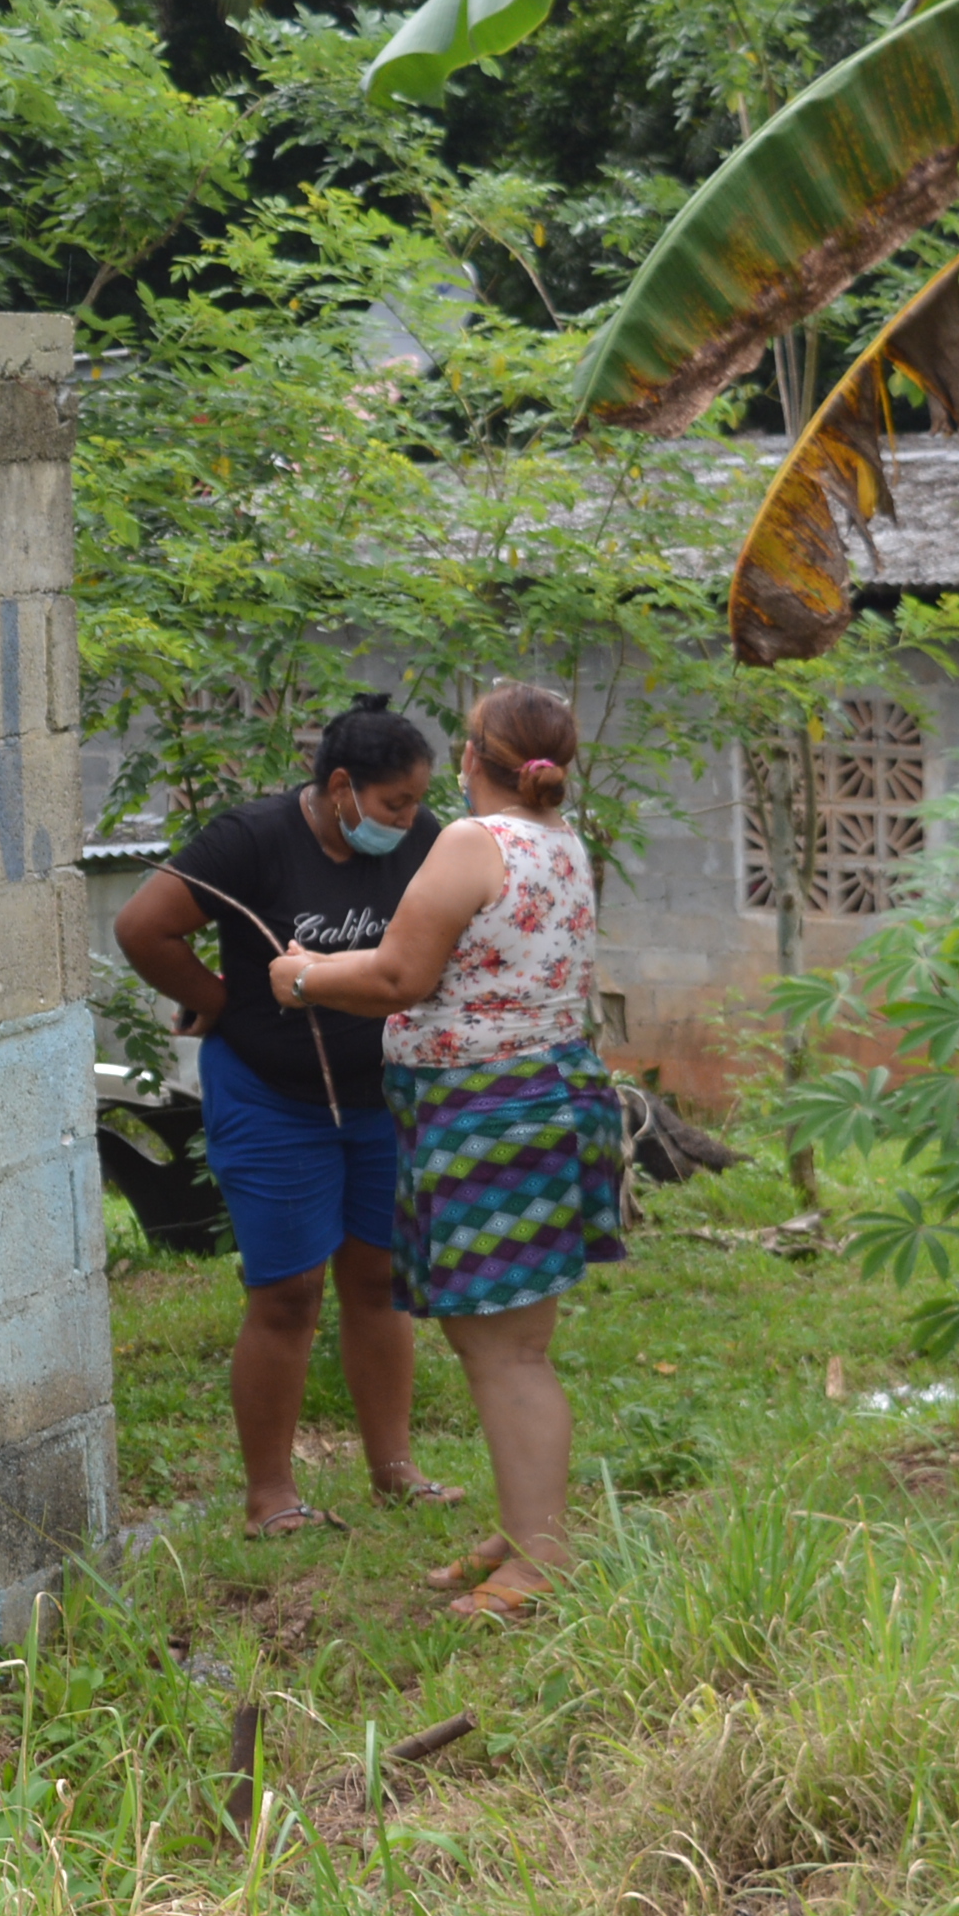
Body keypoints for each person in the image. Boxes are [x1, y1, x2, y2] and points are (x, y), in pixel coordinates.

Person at [264, 682, 624, 1620]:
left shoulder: (475, 841)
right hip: (539, 1096)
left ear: (475, 759)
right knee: (515, 1339)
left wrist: (300, 975)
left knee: (503, 1353)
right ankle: (527, 1521)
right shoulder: (562, 843)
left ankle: (543, 1559)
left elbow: (398, 973)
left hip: (487, 1110)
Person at [110, 704, 462, 1536]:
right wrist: (220, 1003)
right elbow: (142, 926)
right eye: (394, 803)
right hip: (272, 1100)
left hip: (382, 1098)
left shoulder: (421, 843)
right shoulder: (253, 840)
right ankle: (271, 1495)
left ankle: (394, 1470)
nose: (410, 820)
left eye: (417, 802)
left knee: (379, 1281)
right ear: (341, 788)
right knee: (289, 1291)